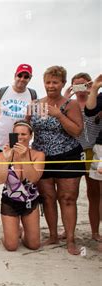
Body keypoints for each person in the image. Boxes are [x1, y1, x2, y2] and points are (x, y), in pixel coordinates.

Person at [27, 66, 84, 255]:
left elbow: (77, 131)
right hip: (42, 157)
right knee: (48, 198)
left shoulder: (70, 104)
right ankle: (52, 235)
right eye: (48, 82)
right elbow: (26, 129)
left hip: (68, 155)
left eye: (55, 82)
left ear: (63, 84)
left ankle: (70, 239)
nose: (51, 86)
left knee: (67, 199)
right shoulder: (35, 104)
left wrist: (59, 115)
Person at [0, 64, 38, 228]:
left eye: (26, 77)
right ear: (15, 75)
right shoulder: (2, 91)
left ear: (30, 79)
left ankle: (23, 209)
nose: (22, 79)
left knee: (21, 176)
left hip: (20, 141)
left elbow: (31, 119)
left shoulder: (32, 94)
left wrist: (29, 139)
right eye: (20, 75)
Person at [0, 121, 44, 251]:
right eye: (17, 134)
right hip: (10, 201)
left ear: (30, 135)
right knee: (11, 246)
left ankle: (21, 232)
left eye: (24, 134)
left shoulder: (38, 155)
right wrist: (5, 160)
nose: (20, 137)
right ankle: (10, 234)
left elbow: (33, 179)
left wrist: (24, 158)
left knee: (34, 245)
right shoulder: (3, 154)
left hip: (30, 201)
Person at [65, 73, 101, 242]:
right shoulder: (69, 104)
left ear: (89, 84)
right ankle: (68, 231)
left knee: (93, 194)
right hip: (74, 150)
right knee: (70, 193)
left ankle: (94, 232)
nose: (81, 88)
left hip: (93, 150)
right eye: (76, 85)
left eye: (84, 84)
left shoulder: (96, 101)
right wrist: (65, 97)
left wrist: (93, 89)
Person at [84, 73, 102, 247]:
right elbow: (90, 111)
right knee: (97, 194)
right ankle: (97, 232)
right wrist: (95, 87)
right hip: (100, 148)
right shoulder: (100, 96)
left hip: (96, 148)